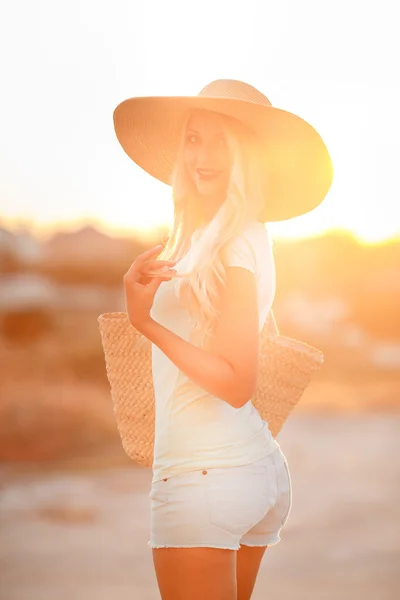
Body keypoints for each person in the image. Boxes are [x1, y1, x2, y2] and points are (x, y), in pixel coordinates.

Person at [115, 80, 333, 600]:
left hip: (204, 475)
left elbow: (236, 381)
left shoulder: (234, 238)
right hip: (244, 466)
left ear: (249, 157)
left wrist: (146, 322)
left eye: (222, 142)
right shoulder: (214, 234)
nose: (203, 156)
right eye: (193, 138)